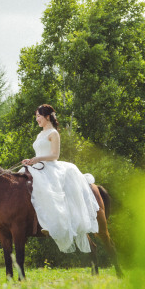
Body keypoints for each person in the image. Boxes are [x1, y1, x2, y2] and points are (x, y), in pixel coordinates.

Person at [21, 104, 99, 253]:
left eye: (38, 116)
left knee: (47, 191)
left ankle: (51, 225)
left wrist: (37, 159)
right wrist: (30, 160)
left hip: (51, 167)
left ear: (47, 117)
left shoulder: (54, 133)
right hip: (38, 166)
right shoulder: (40, 134)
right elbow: (39, 152)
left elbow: (55, 155)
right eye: (36, 116)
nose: (37, 119)